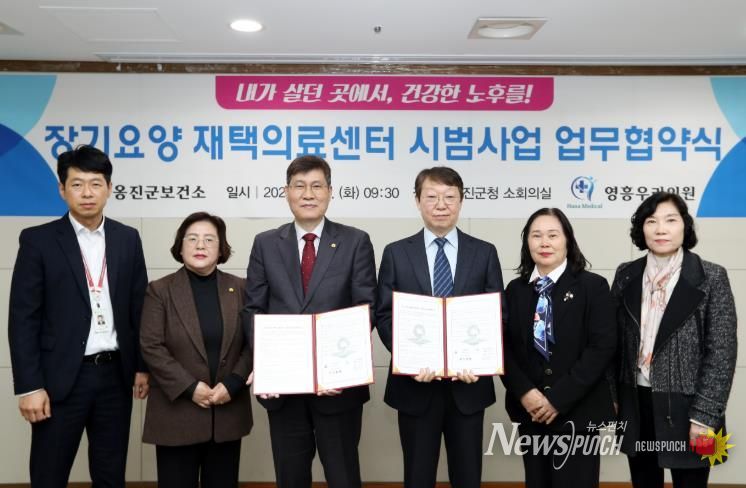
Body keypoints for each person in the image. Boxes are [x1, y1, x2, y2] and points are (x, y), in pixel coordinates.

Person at [8, 145, 149, 487]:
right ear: (62, 189)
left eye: (96, 183)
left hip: (115, 376)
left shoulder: (127, 239)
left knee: (110, 474)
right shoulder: (38, 241)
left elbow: (139, 308)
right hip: (59, 380)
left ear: (109, 188)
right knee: (49, 474)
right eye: (77, 184)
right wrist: (30, 386)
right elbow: (23, 318)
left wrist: (142, 366)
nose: (87, 193)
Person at [242, 155, 376, 488]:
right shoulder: (265, 243)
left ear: (330, 191)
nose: (308, 194)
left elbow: (366, 307)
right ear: (286, 192)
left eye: (317, 186)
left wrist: (337, 366)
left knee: (343, 476)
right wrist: (268, 365)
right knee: (290, 477)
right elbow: (254, 309)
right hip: (284, 389)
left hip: (338, 388)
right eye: (299, 186)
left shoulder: (355, 241)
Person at [376, 166, 503, 488]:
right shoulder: (396, 253)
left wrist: (480, 361)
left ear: (461, 201)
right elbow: (385, 314)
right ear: (417, 201)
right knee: (417, 476)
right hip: (415, 386)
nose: (441, 205)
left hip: (469, 386)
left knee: (468, 477)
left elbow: (497, 315)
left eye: (449, 197)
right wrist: (408, 358)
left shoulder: (484, 252)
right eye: (432, 197)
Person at [613, 192, 737, 488]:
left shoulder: (711, 276)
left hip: (691, 406)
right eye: (651, 221)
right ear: (641, 229)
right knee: (643, 481)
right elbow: (612, 342)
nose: (661, 229)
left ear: (685, 226)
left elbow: (721, 352)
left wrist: (704, 416)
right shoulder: (626, 274)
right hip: (637, 402)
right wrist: (613, 398)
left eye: (670, 220)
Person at [501, 208, 616, 488]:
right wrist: (525, 392)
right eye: (536, 235)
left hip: (578, 411)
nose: (545, 243)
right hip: (530, 413)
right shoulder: (515, 290)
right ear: (527, 242)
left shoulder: (593, 287)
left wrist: (557, 399)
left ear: (567, 240)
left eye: (553, 235)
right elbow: (503, 348)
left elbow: (601, 348)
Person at [140, 212, 252, 488]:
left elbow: (254, 341)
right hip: (176, 414)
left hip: (227, 412)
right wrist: (190, 387)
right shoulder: (160, 290)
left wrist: (234, 383)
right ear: (180, 247)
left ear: (221, 249)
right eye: (192, 239)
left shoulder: (240, 288)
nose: (200, 245)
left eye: (209, 239)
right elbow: (151, 346)